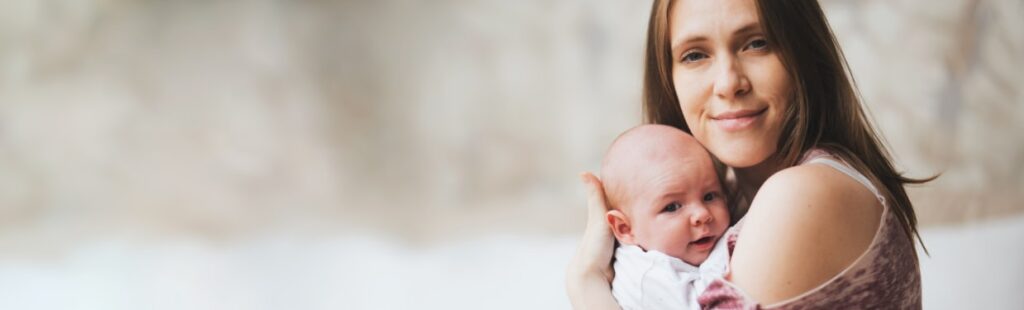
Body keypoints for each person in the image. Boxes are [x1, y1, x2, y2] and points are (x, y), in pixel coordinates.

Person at [565, 0, 934, 308]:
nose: (728, 83)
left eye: (756, 43)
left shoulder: (804, 193)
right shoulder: (730, 199)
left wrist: (586, 283)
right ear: (670, 77)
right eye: (695, 55)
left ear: (804, 55)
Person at [600, 124, 731, 309]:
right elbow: (711, 303)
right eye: (672, 207)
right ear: (625, 228)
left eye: (709, 196)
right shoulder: (646, 276)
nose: (702, 214)